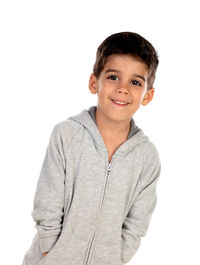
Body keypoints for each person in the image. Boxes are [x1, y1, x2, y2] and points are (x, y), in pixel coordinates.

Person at [21, 31, 161, 265]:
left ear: (147, 96)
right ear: (94, 82)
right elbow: (47, 204)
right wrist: (50, 252)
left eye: (135, 82)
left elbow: (136, 224)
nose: (123, 88)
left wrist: (115, 259)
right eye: (114, 77)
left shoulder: (147, 157)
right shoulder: (67, 135)